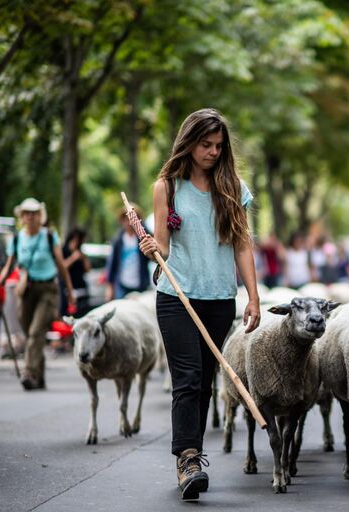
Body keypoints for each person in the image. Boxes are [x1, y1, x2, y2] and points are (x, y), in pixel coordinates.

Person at [138, 108, 261, 502]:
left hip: (219, 298)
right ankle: (188, 459)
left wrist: (253, 296)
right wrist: (151, 249)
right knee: (187, 378)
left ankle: (193, 457)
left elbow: (242, 244)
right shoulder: (167, 186)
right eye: (205, 145)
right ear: (189, 143)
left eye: (218, 146)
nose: (212, 152)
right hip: (177, 296)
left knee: (205, 381)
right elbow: (163, 245)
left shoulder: (233, 186)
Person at [0, 198, 75, 390]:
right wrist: (0, 279)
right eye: (27, 213)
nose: (30, 217)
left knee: (36, 332)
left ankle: (29, 372)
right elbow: (10, 264)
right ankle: (39, 376)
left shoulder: (49, 236)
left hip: (47, 289)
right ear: (21, 217)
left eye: (34, 213)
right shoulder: (16, 238)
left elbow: (61, 265)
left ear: (40, 216)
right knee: (29, 331)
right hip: (25, 290)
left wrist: (69, 291)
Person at [106, 205, 150, 300]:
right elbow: (112, 264)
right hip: (122, 285)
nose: (129, 222)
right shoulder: (118, 240)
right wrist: (110, 287)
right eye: (126, 219)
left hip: (140, 284)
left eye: (132, 219)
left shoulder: (143, 238)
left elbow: (151, 256)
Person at [60, 227, 92, 317]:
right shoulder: (63, 251)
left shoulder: (81, 252)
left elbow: (88, 269)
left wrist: (84, 259)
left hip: (81, 288)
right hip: (67, 288)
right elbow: (62, 268)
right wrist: (73, 258)